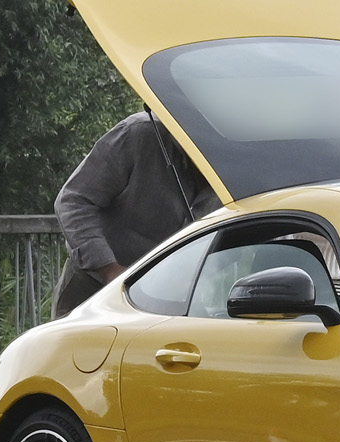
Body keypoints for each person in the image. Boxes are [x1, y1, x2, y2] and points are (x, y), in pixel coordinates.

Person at [52, 111, 221, 316]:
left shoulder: (237, 162)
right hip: (93, 287)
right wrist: (110, 271)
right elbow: (73, 200)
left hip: (168, 301)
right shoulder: (138, 134)